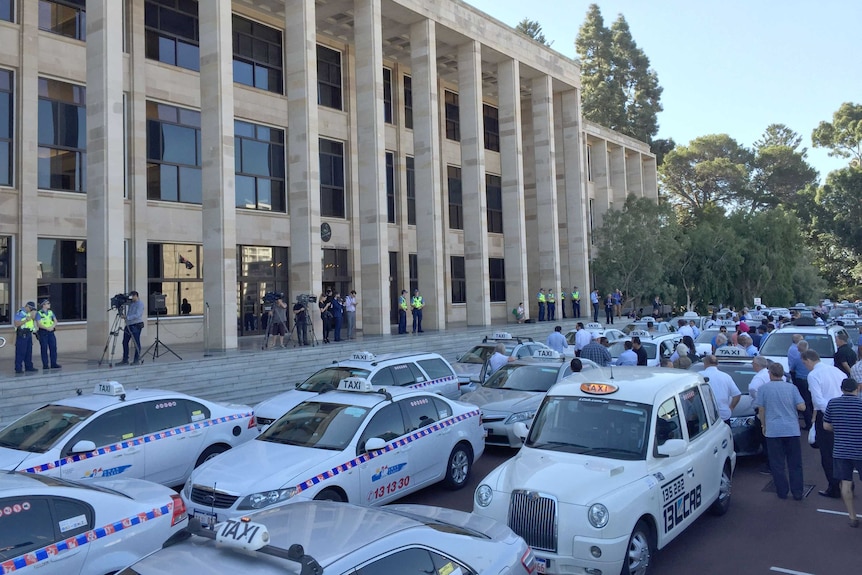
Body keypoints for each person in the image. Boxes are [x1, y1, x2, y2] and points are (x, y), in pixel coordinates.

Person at [754, 363, 806, 500]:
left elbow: (761, 410)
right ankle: (798, 492)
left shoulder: (763, 389)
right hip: (792, 429)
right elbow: (802, 407)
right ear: (782, 374)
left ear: (770, 373)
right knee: (795, 463)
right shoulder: (792, 388)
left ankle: (782, 492)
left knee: (777, 463)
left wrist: (763, 426)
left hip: (773, 430)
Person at [803, 349, 846, 498]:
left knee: (827, 453)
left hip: (827, 415)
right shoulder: (838, 372)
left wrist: (823, 415)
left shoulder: (813, 375)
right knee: (842, 450)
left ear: (808, 360)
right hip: (843, 413)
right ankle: (847, 483)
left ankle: (834, 487)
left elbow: (818, 400)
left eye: (805, 363)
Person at [823, 377, 862, 527]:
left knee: (845, 483)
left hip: (841, 450)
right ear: (857, 389)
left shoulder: (833, 403)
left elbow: (826, 426)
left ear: (841, 389)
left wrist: (839, 430)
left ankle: (852, 517)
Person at [699, 354, 742, 425]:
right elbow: (737, 394)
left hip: (706, 416)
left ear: (705, 363)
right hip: (724, 415)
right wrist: (731, 408)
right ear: (717, 363)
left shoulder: (700, 375)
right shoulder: (726, 376)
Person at [790, 340, 814, 430]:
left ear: (798, 348)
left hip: (801, 382)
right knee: (811, 401)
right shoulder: (812, 358)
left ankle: (808, 424)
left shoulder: (797, 358)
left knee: (804, 402)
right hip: (810, 381)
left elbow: (792, 369)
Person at [13, 301, 38, 374]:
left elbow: (30, 324)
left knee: (28, 351)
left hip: (28, 334)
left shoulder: (29, 313)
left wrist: (34, 331)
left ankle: (29, 366)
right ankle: (18, 368)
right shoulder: (20, 312)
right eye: (31, 308)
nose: (31, 310)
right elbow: (16, 323)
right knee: (21, 351)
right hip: (22, 334)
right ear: (27, 306)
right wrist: (26, 320)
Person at [120, 291, 144, 365]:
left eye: (132, 297)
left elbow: (137, 314)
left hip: (136, 325)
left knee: (136, 343)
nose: (131, 298)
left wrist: (127, 317)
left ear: (136, 296)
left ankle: (136, 360)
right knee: (124, 342)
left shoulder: (140, 304)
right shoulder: (131, 303)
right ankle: (125, 359)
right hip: (129, 325)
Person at [36, 299, 61, 369]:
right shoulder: (39, 313)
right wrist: (47, 328)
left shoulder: (50, 312)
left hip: (51, 332)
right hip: (43, 332)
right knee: (44, 348)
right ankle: (45, 364)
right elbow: (39, 324)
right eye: (48, 303)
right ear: (43, 305)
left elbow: (55, 321)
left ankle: (54, 363)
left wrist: (52, 327)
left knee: (53, 347)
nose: (49, 304)